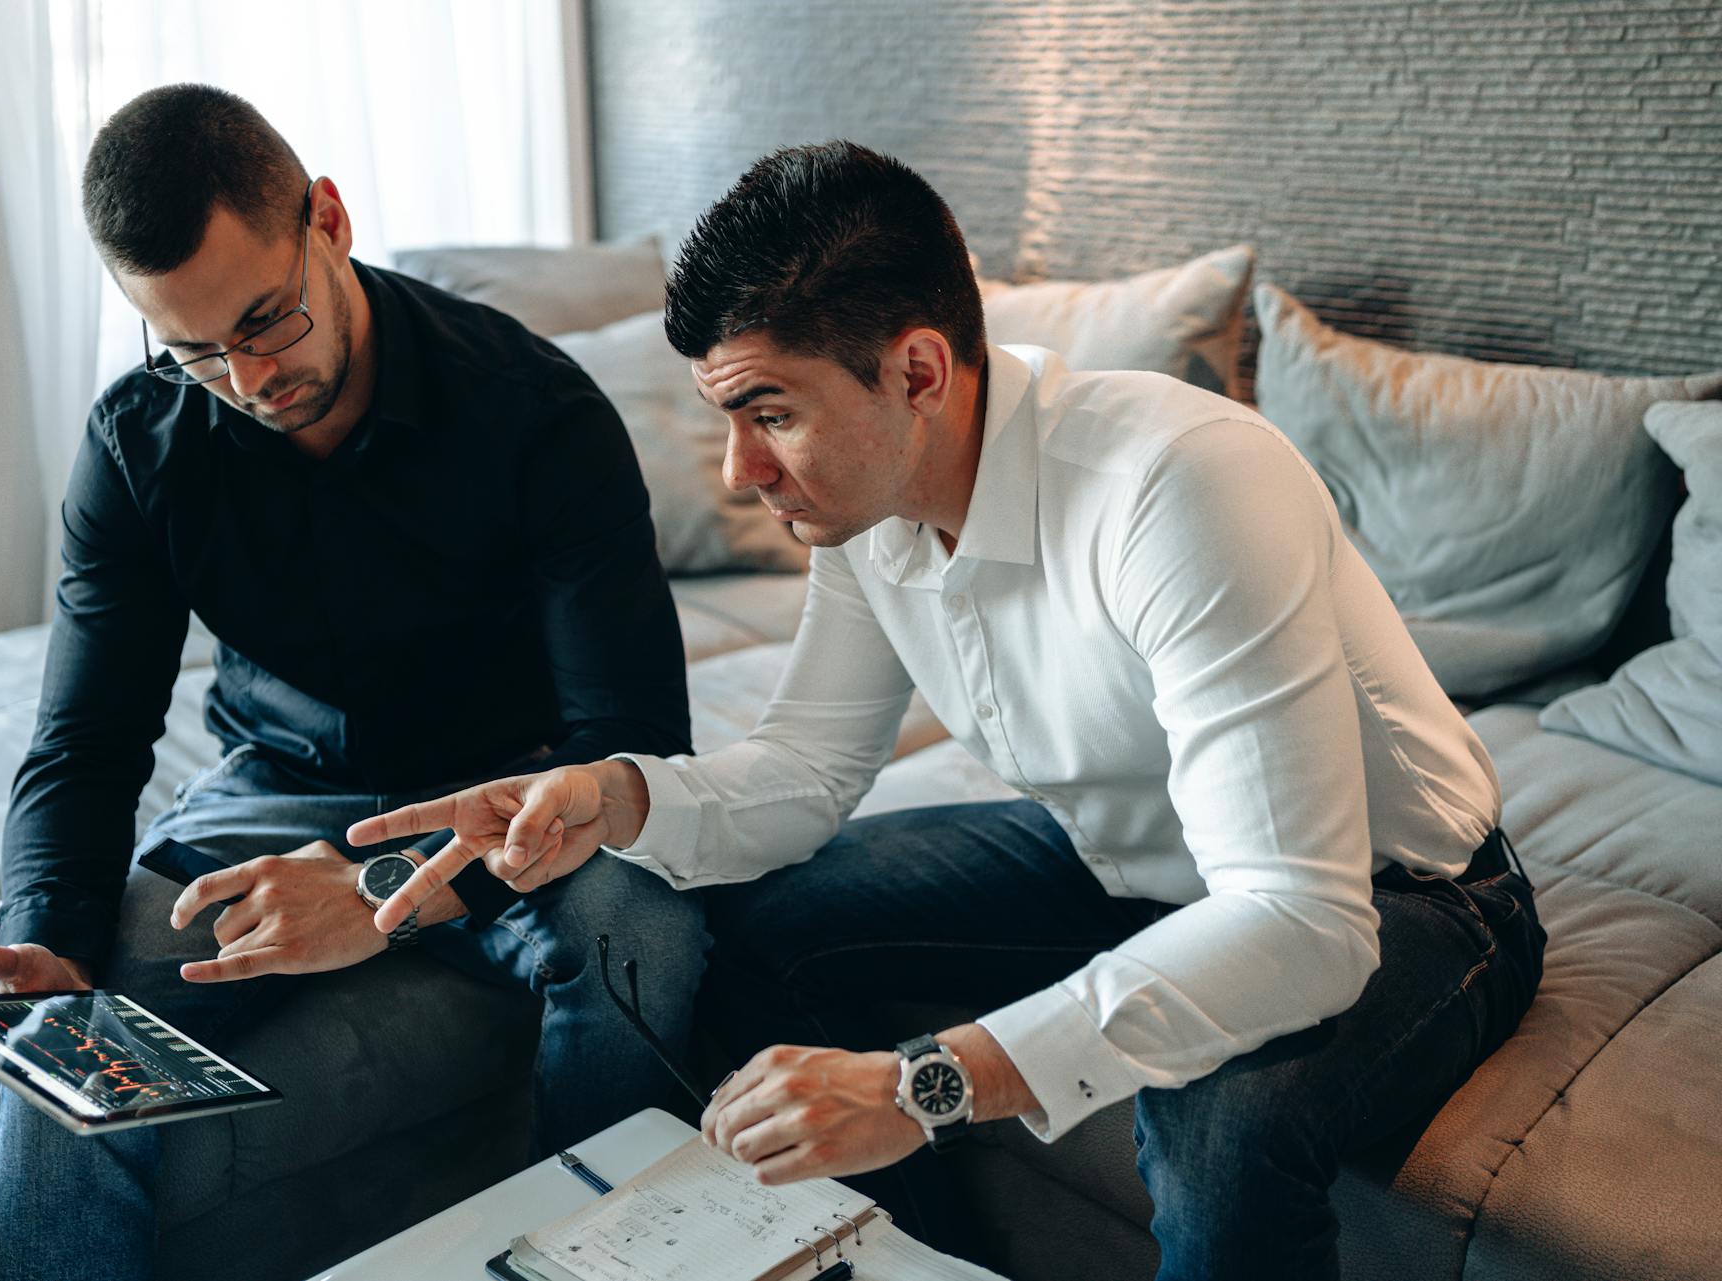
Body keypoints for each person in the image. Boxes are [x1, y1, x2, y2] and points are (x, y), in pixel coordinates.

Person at [348, 140, 1548, 1280]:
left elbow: (1298, 923)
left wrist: (920, 1083)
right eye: (729, 418)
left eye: (770, 412)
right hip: (1122, 852)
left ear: (918, 371)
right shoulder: (866, 514)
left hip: (1408, 895)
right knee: (749, 925)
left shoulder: (1182, 482)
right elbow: (808, 769)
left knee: (1213, 1119)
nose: (738, 472)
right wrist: (616, 794)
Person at [0, 83, 706, 1281]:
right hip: (278, 788)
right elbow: (87, 744)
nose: (249, 380)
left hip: (522, 799)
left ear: (330, 220)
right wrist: (48, 935)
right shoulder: (138, 445)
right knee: (59, 1067)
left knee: (646, 935)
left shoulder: (538, 412)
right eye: (195, 350)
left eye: (267, 322)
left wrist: (380, 886)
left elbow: (629, 746)